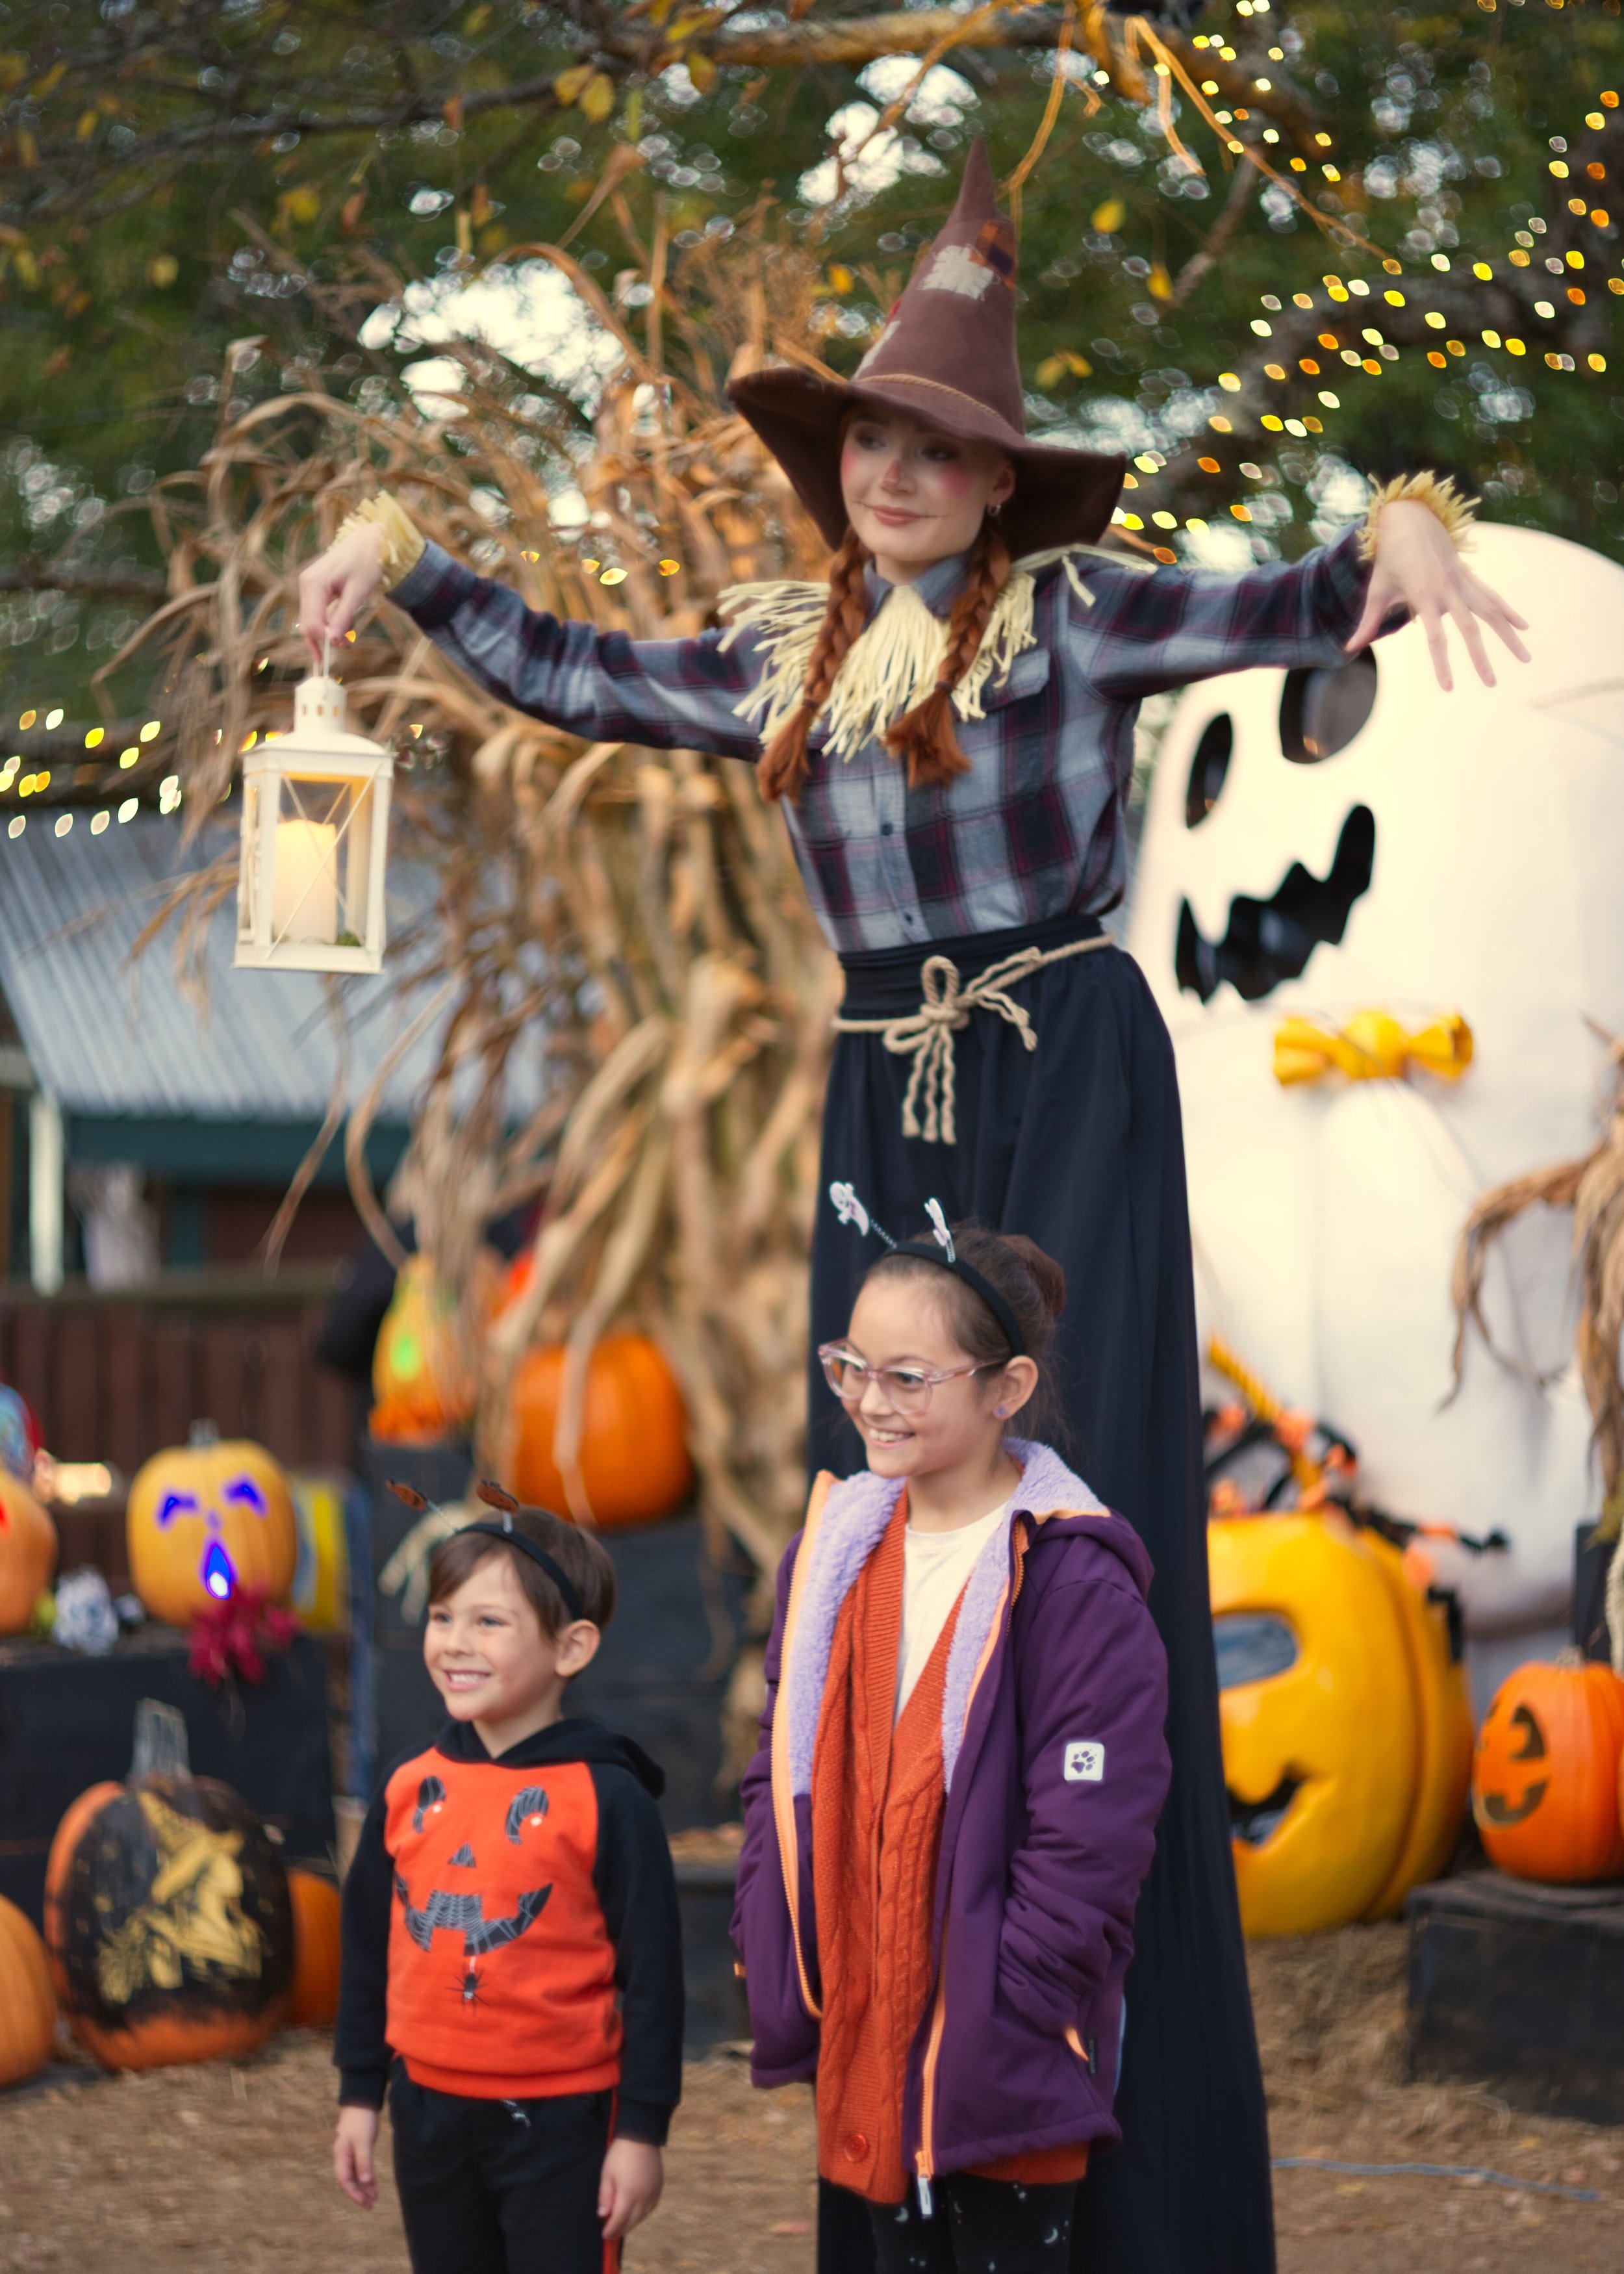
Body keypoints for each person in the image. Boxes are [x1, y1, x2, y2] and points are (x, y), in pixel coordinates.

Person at [300, 143, 1529, 2274]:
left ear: (993, 485)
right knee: (879, 1542)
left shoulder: (1076, 622)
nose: (894, 470)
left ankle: (1116, 2164)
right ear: (840, 463)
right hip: (888, 1079)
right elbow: (570, 671)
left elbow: (1301, 596)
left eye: (937, 447)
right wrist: (399, 556)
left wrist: (1410, 518)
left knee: (1070, 1539)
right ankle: (905, 2118)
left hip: (1066, 1065)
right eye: (872, 436)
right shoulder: (785, 663)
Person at [733, 1196, 1170, 2273]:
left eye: (909, 1378)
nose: (869, 1403)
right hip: (870, 2042)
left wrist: (1013, 2000)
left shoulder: (1072, 1581)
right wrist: (768, 1923)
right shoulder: (828, 1561)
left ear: (1007, 1387)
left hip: (1004, 2062)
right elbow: (774, 1765)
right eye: (852, 1367)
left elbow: (1094, 1828)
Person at [331, 1499, 683, 2273]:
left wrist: (641, 2132)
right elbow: (366, 1951)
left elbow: (655, 1979)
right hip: (427, 2113)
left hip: (563, 2125)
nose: (455, 1642)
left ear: (570, 1645)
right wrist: (361, 2094)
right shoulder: (408, 1787)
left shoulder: (607, 1798)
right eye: (442, 1615)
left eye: (489, 1622)